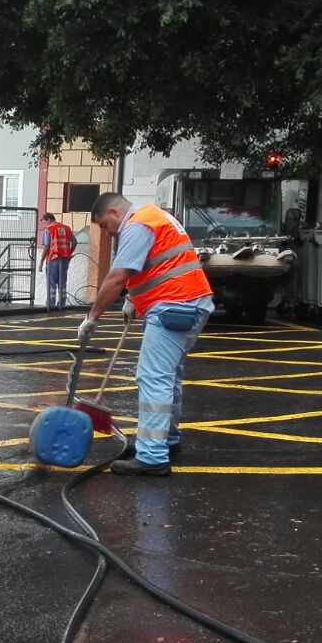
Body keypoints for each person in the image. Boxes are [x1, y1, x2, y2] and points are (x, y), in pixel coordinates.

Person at [78, 192, 215, 476]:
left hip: (173, 305)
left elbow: (116, 276)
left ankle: (152, 457)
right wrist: (133, 298)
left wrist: (92, 317)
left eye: (105, 225)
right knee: (169, 376)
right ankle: (166, 441)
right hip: (189, 303)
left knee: (153, 377)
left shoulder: (137, 225)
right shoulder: (154, 216)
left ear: (115, 213)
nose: (108, 232)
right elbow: (157, 265)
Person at [38, 213, 76, 309]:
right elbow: (75, 242)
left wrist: (41, 261)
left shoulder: (49, 229)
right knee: (62, 282)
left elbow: (46, 246)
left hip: (53, 259)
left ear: (50, 220)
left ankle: (51, 304)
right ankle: (61, 304)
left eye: (44, 222)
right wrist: (69, 254)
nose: (44, 225)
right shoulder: (66, 228)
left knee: (52, 282)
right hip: (64, 260)